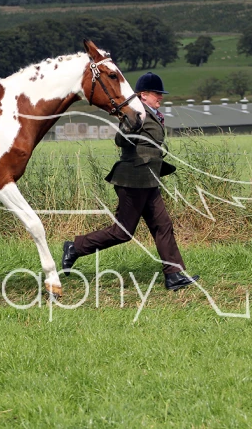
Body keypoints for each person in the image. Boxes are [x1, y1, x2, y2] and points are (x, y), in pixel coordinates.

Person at [61, 72, 199, 291]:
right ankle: (75, 247)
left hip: (148, 180)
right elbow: (120, 139)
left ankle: (173, 275)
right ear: (143, 95)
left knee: (163, 225)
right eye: (156, 93)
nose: (160, 97)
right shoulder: (135, 113)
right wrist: (131, 126)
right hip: (133, 179)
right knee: (122, 232)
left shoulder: (151, 113)